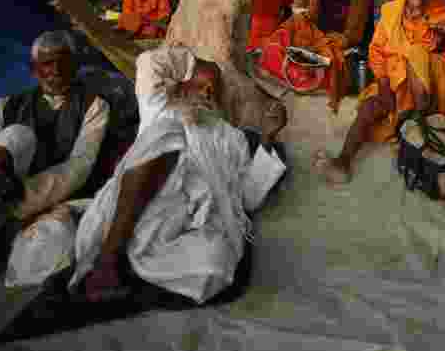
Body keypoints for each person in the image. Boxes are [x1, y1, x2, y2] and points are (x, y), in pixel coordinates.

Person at [69, 45, 288, 304]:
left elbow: (247, 199)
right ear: (183, 83)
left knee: (215, 261)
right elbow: (148, 62)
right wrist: (198, 65)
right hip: (141, 210)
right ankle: (108, 260)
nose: (207, 91)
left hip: (189, 228)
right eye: (202, 83)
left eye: (214, 87)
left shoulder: (233, 138)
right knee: (167, 132)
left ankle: (136, 273)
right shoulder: (160, 108)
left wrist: (267, 138)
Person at [0, 31, 112, 262]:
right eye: (47, 64)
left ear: (74, 67)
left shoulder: (94, 106)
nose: (55, 71)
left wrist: (20, 200)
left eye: (63, 63)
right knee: (16, 135)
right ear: (34, 69)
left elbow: (80, 165)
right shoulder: (8, 104)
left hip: (32, 195)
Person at [314, 0, 445, 185]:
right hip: (394, 79)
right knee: (369, 108)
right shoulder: (391, 11)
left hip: (430, 83)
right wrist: (384, 83)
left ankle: (416, 124)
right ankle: (343, 161)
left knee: (417, 54)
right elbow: (376, 51)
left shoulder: (442, 10)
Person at [263, 0, 374, 112]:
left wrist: (318, 45)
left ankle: (304, 73)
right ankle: (289, 63)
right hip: (323, 38)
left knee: (317, 63)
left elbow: (352, 36)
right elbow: (313, 17)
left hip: (347, 49)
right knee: (293, 26)